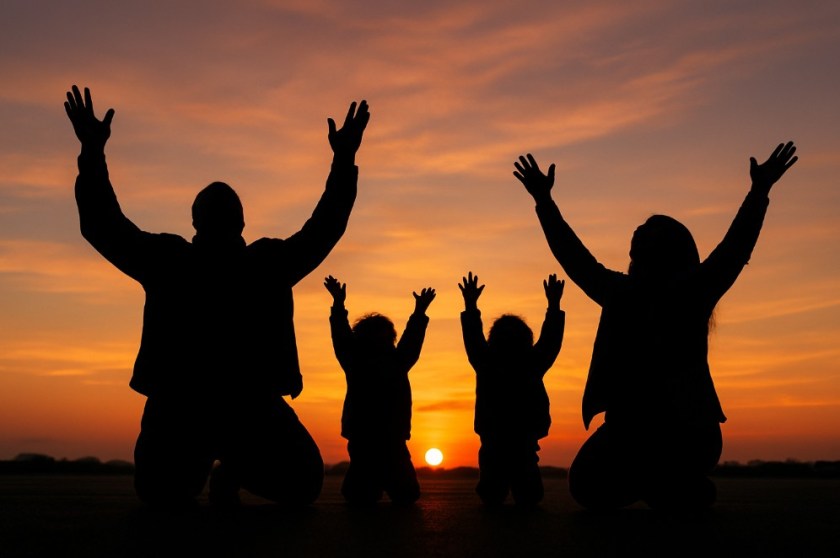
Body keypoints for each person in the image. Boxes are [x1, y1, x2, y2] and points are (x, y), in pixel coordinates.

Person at [65, 84, 370, 508]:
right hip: (204, 407)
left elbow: (103, 225)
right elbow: (326, 226)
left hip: (220, 408)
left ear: (195, 221)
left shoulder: (174, 260)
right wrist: (344, 159)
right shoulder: (261, 263)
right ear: (241, 223)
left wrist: (92, 151)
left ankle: (228, 466)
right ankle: (220, 465)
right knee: (169, 492)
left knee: (290, 485)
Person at [512, 142, 798, 510]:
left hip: (688, 430)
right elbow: (574, 258)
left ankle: (668, 484)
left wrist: (759, 192)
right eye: (640, 232)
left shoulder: (692, 289)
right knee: (585, 487)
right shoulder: (620, 291)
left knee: (607, 484)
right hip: (631, 428)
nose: (639, 235)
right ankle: (665, 486)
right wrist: (543, 201)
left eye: (649, 234)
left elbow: (735, 248)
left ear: (669, 249)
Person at [323, 275, 435, 505]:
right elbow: (341, 336)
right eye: (373, 334)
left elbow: (412, 340)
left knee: (406, 495)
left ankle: (371, 485)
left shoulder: (397, 360)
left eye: (382, 333)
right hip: (363, 438)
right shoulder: (355, 361)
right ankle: (364, 486)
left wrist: (419, 313)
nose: (377, 338)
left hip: (392, 439)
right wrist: (338, 305)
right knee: (362, 496)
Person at [458, 271, 565, 506]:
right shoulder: (488, 362)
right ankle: (496, 486)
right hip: (496, 441)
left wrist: (554, 307)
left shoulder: (527, 362)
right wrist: (470, 307)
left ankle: (503, 487)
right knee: (494, 494)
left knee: (527, 497)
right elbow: (474, 338)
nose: (510, 339)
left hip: (522, 442)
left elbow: (550, 341)